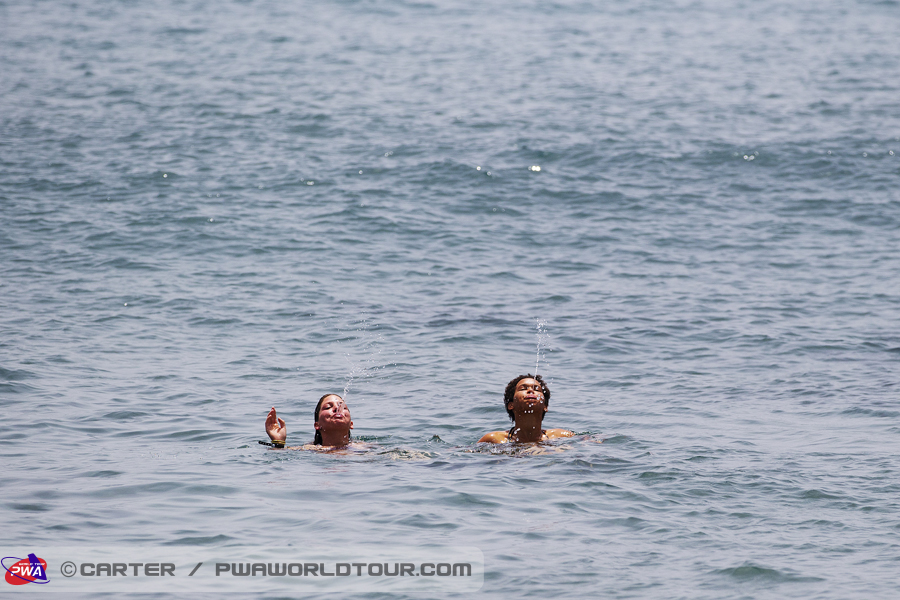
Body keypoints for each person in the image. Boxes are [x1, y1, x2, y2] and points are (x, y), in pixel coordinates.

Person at [478, 374, 573, 443]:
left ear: (545, 406)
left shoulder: (563, 437)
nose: (531, 391)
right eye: (523, 389)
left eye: (536, 389)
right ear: (511, 405)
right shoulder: (495, 439)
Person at [264, 393, 354, 449]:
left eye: (343, 407)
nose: (337, 408)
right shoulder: (309, 449)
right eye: (328, 407)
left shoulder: (364, 448)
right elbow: (278, 457)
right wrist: (278, 442)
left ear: (351, 424)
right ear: (317, 425)